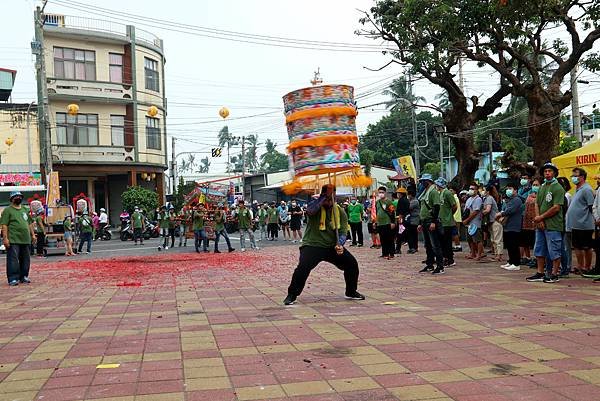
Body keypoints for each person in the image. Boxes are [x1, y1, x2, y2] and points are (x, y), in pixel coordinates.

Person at [284, 184, 364, 305]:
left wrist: (340, 243)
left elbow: (343, 231)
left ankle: (351, 291)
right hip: (312, 245)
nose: (329, 200)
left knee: (351, 264)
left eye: (332, 196)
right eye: (327, 196)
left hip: (331, 246)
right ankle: (292, 294)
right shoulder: (314, 206)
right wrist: (323, 197)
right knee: (302, 268)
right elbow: (310, 212)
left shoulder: (340, 211)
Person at [527, 163, 565, 283]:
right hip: (541, 224)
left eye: (550, 171)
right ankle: (540, 272)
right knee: (539, 249)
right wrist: (539, 218)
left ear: (554, 173)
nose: (547, 173)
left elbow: (556, 207)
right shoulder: (542, 187)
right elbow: (537, 203)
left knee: (554, 249)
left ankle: (554, 273)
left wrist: (541, 217)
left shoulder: (558, 187)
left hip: (553, 224)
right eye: (545, 171)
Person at [0, 191, 36, 285]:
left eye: (20, 196)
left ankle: (24, 276)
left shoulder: (25, 209)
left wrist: (33, 235)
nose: (18, 198)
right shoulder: (8, 210)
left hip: (25, 239)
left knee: (26, 259)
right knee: (13, 259)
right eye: (16, 197)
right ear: (11, 199)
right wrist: (5, 238)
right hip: (13, 239)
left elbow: (30, 223)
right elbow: (4, 225)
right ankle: (13, 278)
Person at [566, 167, 595, 275]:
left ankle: (586, 267)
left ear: (582, 177)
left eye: (575, 175)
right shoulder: (578, 190)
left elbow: (592, 206)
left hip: (585, 224)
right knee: (577, 246)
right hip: (576, 224)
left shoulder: (587, 189)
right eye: (572, 176)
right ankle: (580, 266)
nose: (573, 178)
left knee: (586, 247)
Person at [418, 174, 444, 274]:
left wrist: (433, 221)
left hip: (430, 221)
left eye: (423, 181)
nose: (421, 183)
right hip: (424, 220)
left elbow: (436, 207)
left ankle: (440, 266)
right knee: (428, 245)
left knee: (435, 245)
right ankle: (429, 264)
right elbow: (423, 208)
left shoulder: (433, 192)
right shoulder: (425, 192)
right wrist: (420, 223)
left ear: (428, 181)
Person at [496, 184, 523, 270]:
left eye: (510, 188)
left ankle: (516, 263)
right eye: (507, 188)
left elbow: (510, 210)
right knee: (509, 245)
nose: (508, 190)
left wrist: (501, 214)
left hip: (514, 226)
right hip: (508, 226)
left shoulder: (517, 200)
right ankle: (511, 261)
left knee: (514, 245)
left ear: (515, 190)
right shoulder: (509, 200)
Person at [436, 178, 458, 268]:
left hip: (447, 222)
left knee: (447, 241)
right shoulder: (440, 193)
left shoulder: (447, 193)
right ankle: (445, 257)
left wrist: (449, 214)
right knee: (443, 241)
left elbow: (454, 206)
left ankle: (450, 259)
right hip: (441, 221)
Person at [521, 178, 540, 268]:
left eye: (537, 185)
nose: (535, 187)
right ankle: (528, 257)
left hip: (536, 221)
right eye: (534, 185)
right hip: (527, 222)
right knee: (526, 241)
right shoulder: (529, 195)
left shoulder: (540, 196)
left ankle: (537, 259)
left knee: (537, 242)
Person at [463, 183, 485, 261]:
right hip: (469, 224)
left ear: (476, 190)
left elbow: (475, 212)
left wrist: (467, 220)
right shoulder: (469, 199)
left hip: (475, 222)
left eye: (473, 189)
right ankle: (472, 253)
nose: (471, 190)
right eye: (470, 188)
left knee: (478, 239)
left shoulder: (478, 199)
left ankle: (479, 254)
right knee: (470, 239)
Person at [483, 184, 503, 262]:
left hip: (495, 221)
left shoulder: (489, 198)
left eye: (484, 190)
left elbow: (488, 210)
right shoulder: (487, 198)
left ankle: (499, 255)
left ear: (487, 191)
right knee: (493, 239)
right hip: (491, 221)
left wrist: (481, 212)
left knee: (497, 239)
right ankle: (496, 254)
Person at [375, 186, 396, 260]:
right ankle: (384, 253)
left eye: (382, 192)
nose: (381, 194)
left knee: (389, 238)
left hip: (388, 222)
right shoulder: (377, 202)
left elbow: (392, 212)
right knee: (382, 239)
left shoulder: (389, 202)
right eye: (379, 192)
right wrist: (376, 221)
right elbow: (377, 212)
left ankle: (391, 253)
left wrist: (393, 222)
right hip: (380, 223)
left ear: (385, 193)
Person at [589, 174, 600, 281]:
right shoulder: (599, 190)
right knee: (597, 248)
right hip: (598, 224)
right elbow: (594, 205)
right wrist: (597, 218)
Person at [396, 187, 410, 254]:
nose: (397, 194)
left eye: (398, 193)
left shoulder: (401, 200)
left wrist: (399, 219)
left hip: (402, 219)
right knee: (405, 233)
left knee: (399, 234)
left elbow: (401, 210)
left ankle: (398, 249)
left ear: (401, 194)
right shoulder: (406, 200)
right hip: (406, 218)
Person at [406, 189, 420, 254]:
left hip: (414, 220)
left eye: (408, 195)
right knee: (410, 234)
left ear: (411, 195)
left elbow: (408, 207)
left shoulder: (414, 201)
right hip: (411, 220)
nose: (408, 196)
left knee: (413, 234)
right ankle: (412, 247)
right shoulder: (411, 201)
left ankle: (414, 247)